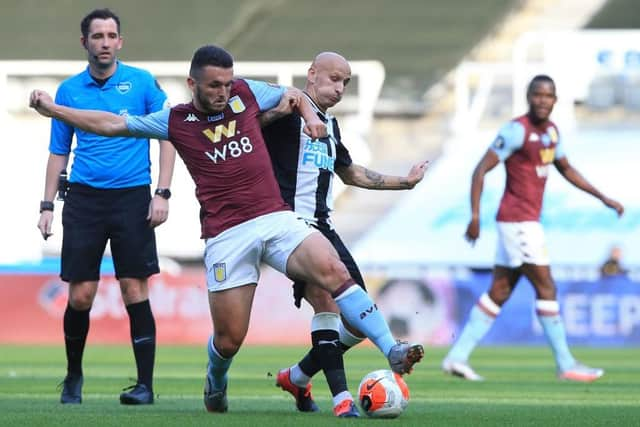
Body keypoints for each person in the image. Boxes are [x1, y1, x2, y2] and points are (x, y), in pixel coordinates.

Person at [30, 44, 424, 414]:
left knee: (333, 271)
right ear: (192, 85)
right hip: (227, 235)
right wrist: (55, 111)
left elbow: (295, 94)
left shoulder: (246, 93)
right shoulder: (176, 121)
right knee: (229, 339)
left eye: (227, 83)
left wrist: (308, 118)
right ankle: (216, 377)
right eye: (214, 85)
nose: (223, 92)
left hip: (275, 217)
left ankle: (391, 349)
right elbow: (112, 124)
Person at [259, 52, 427, 417]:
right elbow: (249, 129)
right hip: (291, 227)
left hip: (326, 227)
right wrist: (274, 112)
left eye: (345, 83)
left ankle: (298, 376)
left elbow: (351, 173)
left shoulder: (330, 126)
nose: (339, 88)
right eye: (333, 79)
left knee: (356, 321)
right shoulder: (285, 112)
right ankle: (343, 400)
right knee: (326, 304)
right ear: (312, 74)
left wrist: (406, 182)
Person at [441, 74, 624, 382]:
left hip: (524, 222)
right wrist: (475, 217)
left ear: (555, 100)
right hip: (518, 222)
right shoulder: (516, 131)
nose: (542, 100)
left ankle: (456, 357)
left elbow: (566, 169)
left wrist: (603, 197)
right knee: (546, 286)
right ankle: (565, 363)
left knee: (500, 291)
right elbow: (480, 170)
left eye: (548, 95)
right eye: (537, 94)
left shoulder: (552, 132)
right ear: (528, 97)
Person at [36, 9, 175, 405]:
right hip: (84, 199)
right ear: (85, 43)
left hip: (133, 196)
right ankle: (73, 376)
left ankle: (145, 385)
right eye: (97, 36)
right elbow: (58, 151)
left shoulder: (143, 83)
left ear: (120, 42)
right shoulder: (69, 91)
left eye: (111, 35)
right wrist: (46, 205)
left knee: (134, 288)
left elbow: (169, 135)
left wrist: (162, 192)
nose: (105, 42)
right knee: (81, 295)